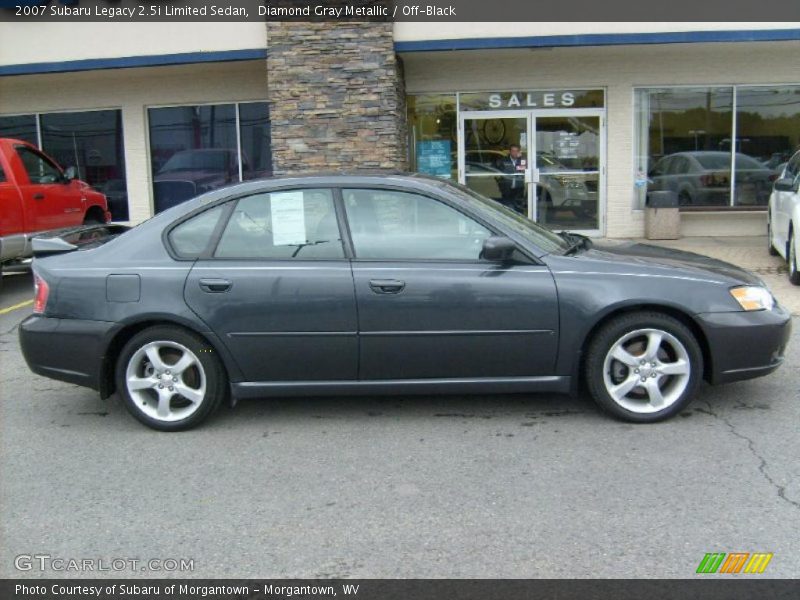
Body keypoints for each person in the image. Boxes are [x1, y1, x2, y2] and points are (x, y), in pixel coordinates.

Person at [495, 144, 527, 213]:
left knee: (518, 208)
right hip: (507, 188)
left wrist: (520, 158)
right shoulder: (503, 160)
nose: (514, 153)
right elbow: (496, 172)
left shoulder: (522, 160)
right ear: (510, 151)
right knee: (507, 208)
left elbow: (524, 170)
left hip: (519, 188)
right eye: (513, 151)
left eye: (516, 151)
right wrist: (499, 182)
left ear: (519, 152)